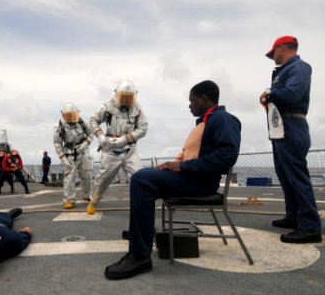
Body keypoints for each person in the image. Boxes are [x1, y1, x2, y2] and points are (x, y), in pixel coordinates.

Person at [104, 80, 241, 280]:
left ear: (204, 99)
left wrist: (183, 166)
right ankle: (140, 235)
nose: (189, 105)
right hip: (194, 178)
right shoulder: (208, 120)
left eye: (192, 101)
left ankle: (140, 255)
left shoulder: (223, 119)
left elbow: (227, 156)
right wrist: (175, 164)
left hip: (202, 184)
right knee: (146, 176)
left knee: (142, 180)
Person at [260, 36, 322, 243]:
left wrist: (269, 94)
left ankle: (311, 227)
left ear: (282, 48)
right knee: (286, 177)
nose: (272, 57)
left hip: (292, 126)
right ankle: (294, 217)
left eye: (273, 53)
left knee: (297, 177)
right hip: (281, 128)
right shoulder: (286, 71)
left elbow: (292, 94)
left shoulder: (300, 67)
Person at [87, 79, 148, 215]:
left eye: (129, 97)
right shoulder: (108, 106)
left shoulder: (138, 109)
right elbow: (93, 120)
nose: (126, 100)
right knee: (103, 178)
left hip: (129, 150)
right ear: (116, 94)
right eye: (123, 96)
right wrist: (101, 136)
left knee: (138, 177)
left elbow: (143, 128)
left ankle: (139, 206)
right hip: (110, 149)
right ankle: (94, 200)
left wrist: (126, 138)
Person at [54, 103, 93, 209]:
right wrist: (63, 158)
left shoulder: (82, 123)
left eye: (73, 115)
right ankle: (69, 200)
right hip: (69, 155)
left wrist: (84, 145)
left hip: (83, 153)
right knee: (69, 178)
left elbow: (91, 134)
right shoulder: (59, 126)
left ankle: (87, 195)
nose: (71, 118)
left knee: (86, 175)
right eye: (69, 115)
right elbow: (57, 143)